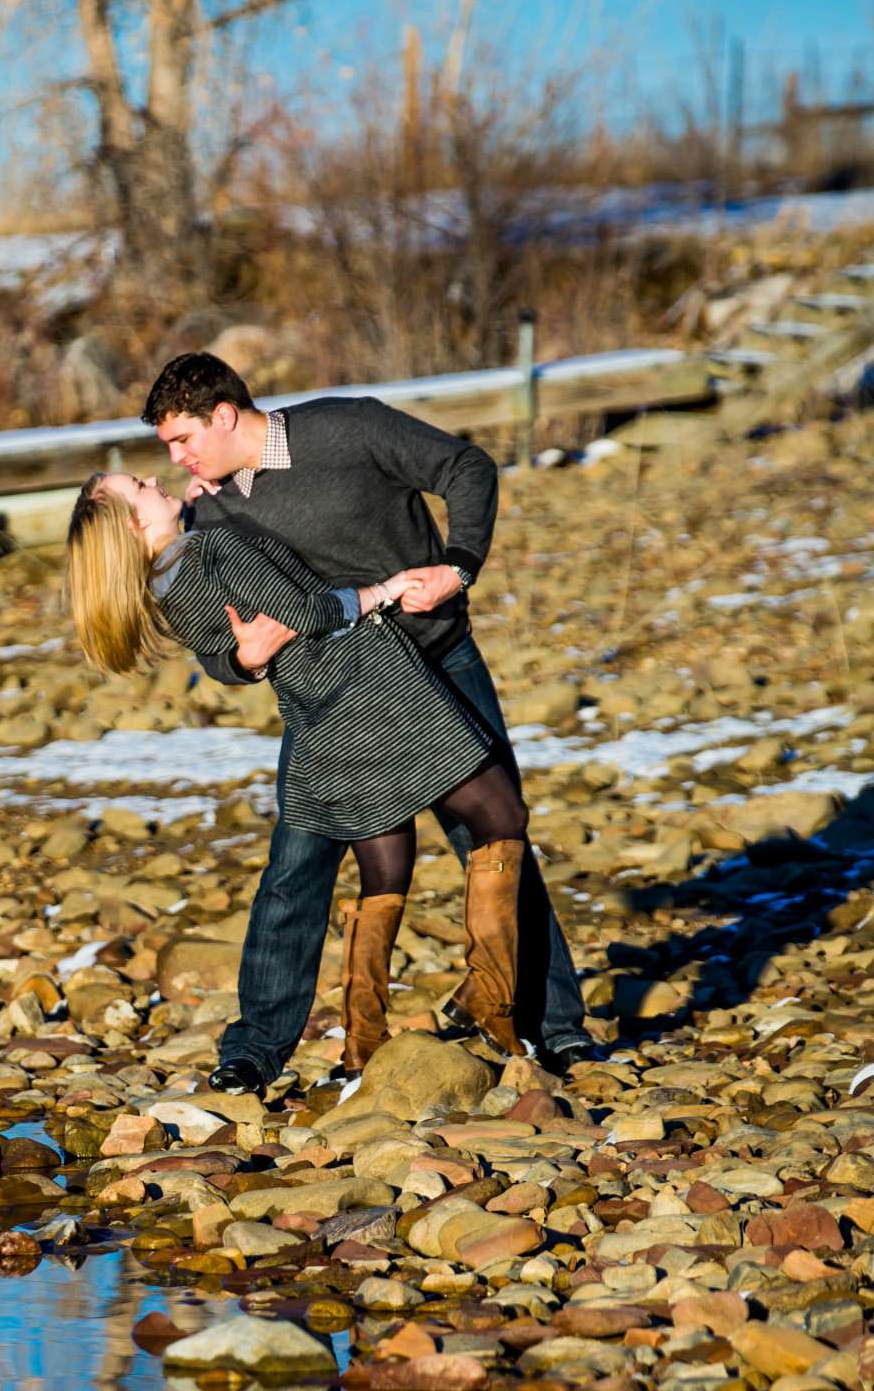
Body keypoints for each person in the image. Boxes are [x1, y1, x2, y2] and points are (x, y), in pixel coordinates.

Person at [140, 350, 595, 1090]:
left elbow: (467, 467)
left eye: (182, 439)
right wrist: (246, 661)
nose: (177, 459)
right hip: (329, 703)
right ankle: (254, 1053)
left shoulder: (349, 428)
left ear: (224, 415)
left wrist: (459, 563)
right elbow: (213, 643)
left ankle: (555, 1031)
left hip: (439, 662)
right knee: (294, 873)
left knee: (497, 837)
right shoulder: (206, 511)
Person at [64, 469, 535, 1065]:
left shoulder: (167, 583)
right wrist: (382, 591)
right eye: (139, 484)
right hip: (371, 684)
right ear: (134, 522)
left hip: (320, 711)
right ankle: (487, 995)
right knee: (501, 812)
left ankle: (366, 1039)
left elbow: (249, 641)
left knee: (388, 866)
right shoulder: (206, 549)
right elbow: (301, 612)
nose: (154, 475)